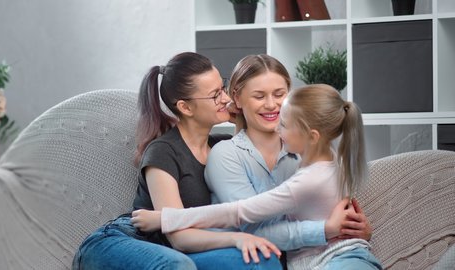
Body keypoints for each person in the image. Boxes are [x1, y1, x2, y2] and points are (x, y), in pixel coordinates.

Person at [132, 84, 383, 269]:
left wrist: (165, 218)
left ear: (312, 136)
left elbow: (238, 212)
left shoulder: (307, 180)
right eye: (259, 96)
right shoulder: (330, 160)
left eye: (284, 124)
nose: (277, 128)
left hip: (341, 261)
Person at [72, 52, 283, 270]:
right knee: (177, 265)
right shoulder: (163, 151)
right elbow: (179, 238)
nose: (226, 99)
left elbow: (251, 148)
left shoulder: (224, 147)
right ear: (185, 107)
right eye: (215, 95)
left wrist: (242, 115)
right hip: (123, 243)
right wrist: (236, 239)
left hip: (179, 256)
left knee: (262, 257)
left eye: (223, 88)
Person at [203, 55, 373, 268]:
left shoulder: (312, 150)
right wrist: (326, 229)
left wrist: (356, 229)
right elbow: (253, 231)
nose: (271, 104)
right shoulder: (225, 155)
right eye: (259, 96)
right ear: (237, 99)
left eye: (279, 94)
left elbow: (341, 212)